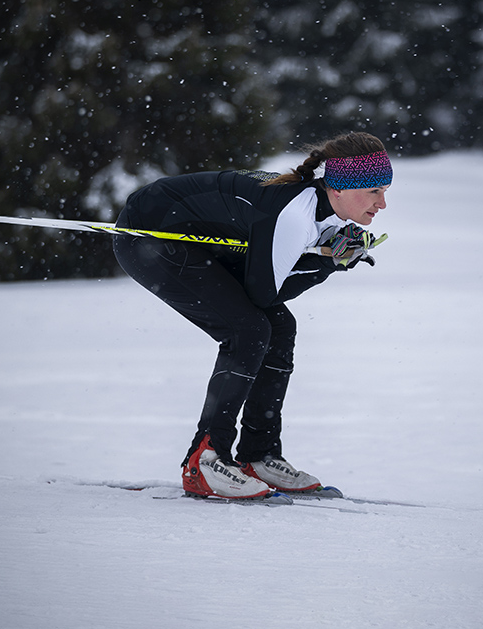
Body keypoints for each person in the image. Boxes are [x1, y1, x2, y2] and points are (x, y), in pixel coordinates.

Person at [113, 132, 392, 499]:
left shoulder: (325, 210)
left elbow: (270, 285)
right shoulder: (293, 215)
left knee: (278, 327)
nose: (383, 204)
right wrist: (328, 263)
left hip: (189, 231)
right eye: (374, 192)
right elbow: (265, 294)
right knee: (248, 329)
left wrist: (326, 256)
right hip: (150, 235)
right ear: (339, 188)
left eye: (385, 191)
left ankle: (258, 455)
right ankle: (205, 460)